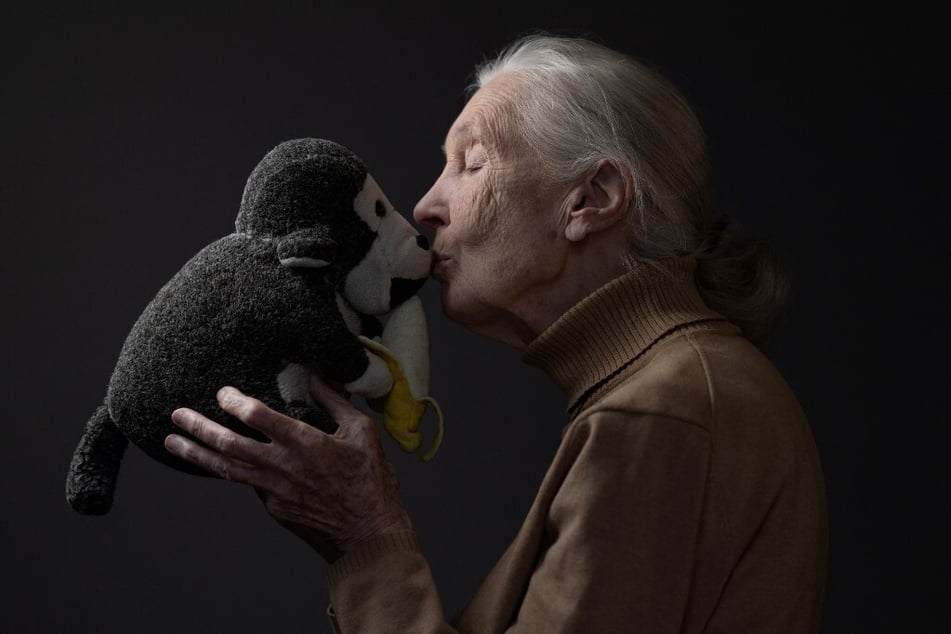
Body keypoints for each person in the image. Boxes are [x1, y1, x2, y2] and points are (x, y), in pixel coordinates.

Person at [164, 33, 829, 633]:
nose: (424, 206)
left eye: (472, 162)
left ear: (591, 199)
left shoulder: (664, 405)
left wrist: (368, 541)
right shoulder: (674, 388)